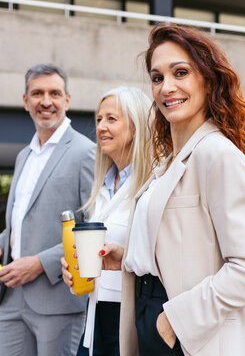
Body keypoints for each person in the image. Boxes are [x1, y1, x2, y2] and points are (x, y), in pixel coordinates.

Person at [100, 24, 245, 356]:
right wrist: (127, 257)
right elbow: (180, 244)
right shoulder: (168, 161)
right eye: (157, 77)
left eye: (180, 72)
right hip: (150, 312)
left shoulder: (218, 154)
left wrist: (173, 322)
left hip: (192, 333)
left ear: (207, 80)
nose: (167, 87)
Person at [0, 64, 95, 356]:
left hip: (59, 301)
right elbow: (21, 221)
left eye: (54, 93)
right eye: (37, 93)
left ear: (68, 100)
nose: (46, 101)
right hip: (12, 298)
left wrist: (38, 263)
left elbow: (93, 228)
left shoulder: (85, 152)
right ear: (26, 101)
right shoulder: (23, 156)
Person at [61, 86, 154, 356]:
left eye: (112, 119)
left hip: (130, 316)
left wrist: (123, 257)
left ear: (136, 127)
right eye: (99, 119)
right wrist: (73, 270)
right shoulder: (102, 186)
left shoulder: (152, 185)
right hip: (95, 312)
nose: (101, 126)